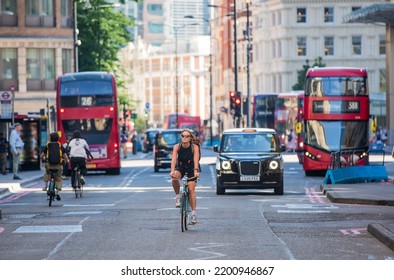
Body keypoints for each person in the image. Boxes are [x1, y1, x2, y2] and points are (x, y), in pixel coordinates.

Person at [169, 129, 200, 225]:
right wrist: (172, 171)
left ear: (190, 138)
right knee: (174, 177)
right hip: (181, 166)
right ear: (181, 137)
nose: (184, 138)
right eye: (183, 136)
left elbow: (196, 160)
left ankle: (193, 215)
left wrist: (195, 171)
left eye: (187, 136)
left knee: (191, 190)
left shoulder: (194, 147)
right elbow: (174, 160)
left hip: (191, 168)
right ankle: (178, 196)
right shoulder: (177, 147)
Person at [41, 132, 69, 201]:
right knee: (58, 178)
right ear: (57, 138)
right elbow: (64, 155)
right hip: (58, 165)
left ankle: (45, 186)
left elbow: (42, 155)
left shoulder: (48, 145)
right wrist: (67, 160)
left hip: (49, 165)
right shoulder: (60, 145)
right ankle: (58, 192)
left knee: (47, 173)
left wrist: (43, 159)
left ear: (50, 138)